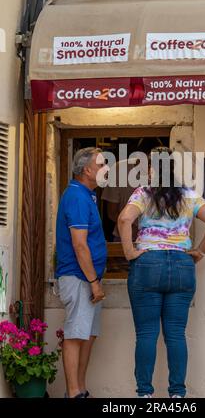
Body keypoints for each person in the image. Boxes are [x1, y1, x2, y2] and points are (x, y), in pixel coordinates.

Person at [118, 147, 205, 398]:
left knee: (146, 333)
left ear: (154, 168)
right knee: (176, 334)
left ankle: (144, 394)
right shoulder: (189, 194)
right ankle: (177, 394)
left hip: (148, 264)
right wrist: (200, 252)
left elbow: (123, 220)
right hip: (181, 264)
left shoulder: (144, 193)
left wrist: (129, 252)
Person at [55, 147, 109, 399]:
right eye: (101, 165)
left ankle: (81, 389)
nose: (105, 169)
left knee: (88, 333)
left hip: (87, 277)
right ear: (87, 170)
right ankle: (74, 393)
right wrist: (93, 282)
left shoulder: (86, 195)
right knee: (76, 334)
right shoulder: (77, 196)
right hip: (79, 277)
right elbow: (79, 244)